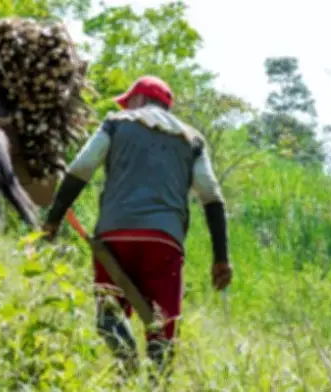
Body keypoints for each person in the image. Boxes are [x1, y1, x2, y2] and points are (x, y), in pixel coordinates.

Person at [42, 75, 233, 379]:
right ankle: (154, 383)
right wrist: (221, 258)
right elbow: (212, 197)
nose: (126, 105)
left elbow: (81, 168)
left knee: (109, 316)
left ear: (140, 100)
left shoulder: (116, 123)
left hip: (114, 237)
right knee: (163, 327)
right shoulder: (191, 139)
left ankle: (127, 367)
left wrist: (53, 219)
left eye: (129, 100)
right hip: (165, 242)